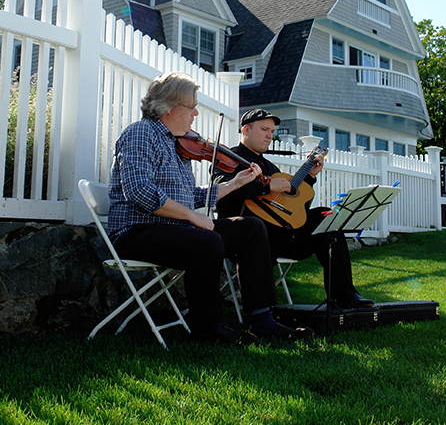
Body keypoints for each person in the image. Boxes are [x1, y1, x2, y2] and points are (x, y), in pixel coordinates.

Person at [107, 73, 314, 345]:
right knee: (207, 241)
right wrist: (192, 217)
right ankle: (208, 330)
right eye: (191, 106)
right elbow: (139, 191)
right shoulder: (140, 133)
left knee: (251, 228)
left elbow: (191, 196)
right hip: (136, 231)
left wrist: (234, 184)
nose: (195, 113)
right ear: (169, 107)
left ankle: (263, 320)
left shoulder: (177, 143)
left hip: (174, 228)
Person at [212, 109, 374, 309]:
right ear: (246, 129)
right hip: (248, 236)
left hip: (282, 235)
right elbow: (220, 187)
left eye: (272, 130)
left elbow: (290, 205)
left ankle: (344, 294)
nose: (270, 135)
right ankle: (267, 314)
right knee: (258, 228)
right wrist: (266, 186)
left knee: (326, 217)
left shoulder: (271, 168)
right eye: (265, 129)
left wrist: (310, 176)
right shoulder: (229, 158)